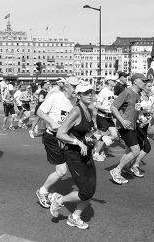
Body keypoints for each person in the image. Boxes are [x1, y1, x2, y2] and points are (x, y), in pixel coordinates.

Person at [49, 82, 96, 229]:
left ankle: (74, 217)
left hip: (86, 153)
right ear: (79, 96)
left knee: (91, 190)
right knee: (85, 192)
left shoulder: (89, 110)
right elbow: (60, 133)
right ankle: (59, 200)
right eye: (86, 93)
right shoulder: (76, 111)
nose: (90, 95)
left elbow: (86, 132)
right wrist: (78, 142)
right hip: (73, 155)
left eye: (91, 92)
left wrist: (97, 137)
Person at [35, 76, 79, 209]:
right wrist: (52, 121)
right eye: (73, 87)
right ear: (66, 87)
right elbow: (39, 111)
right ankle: (42, 192)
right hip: (52, 137)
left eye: (77, 87)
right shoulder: (56, 97)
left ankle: (48, 192)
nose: (75, 89)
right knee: (61, 171)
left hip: (65, 137)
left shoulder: (74, 100)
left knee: (65, 169)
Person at [108, 73, 148, 184]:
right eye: (143, 80)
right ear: (135, 81)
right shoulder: (127, 92)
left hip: (133, 126)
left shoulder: (138, 94)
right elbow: (113, 107)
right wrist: (122, 120)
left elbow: (136, 110)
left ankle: (124, 168)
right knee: (136, 150)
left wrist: (140, 119)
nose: (144, 83)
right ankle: (116, 170)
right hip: (124, 126)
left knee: (129, 150)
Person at [92, 75, 119, 161]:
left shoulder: (111, 91)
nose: (116, 82)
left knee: (114, 136)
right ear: (109, 81)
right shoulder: (103, 91)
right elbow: (97, 105)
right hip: (102, 117)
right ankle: (96, 154)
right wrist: (108, 108)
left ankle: (102, 149)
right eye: (114, 80)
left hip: (109, 117)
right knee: (104, 137)